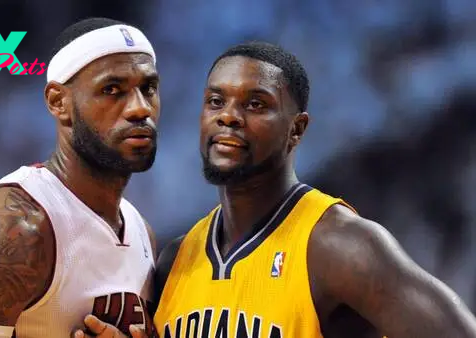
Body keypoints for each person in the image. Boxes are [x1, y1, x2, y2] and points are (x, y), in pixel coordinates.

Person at [76, 41, 476, 338]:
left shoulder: (338, 246)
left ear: (296, 129)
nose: (229, 117)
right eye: (216, 101)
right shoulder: (175, 258)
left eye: (255, 104)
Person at [0, 17, 160, 338]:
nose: (140, 108)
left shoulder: (141, 231)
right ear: (58, 101)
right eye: (112, 90)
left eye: (148, 88)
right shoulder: (13, 227)